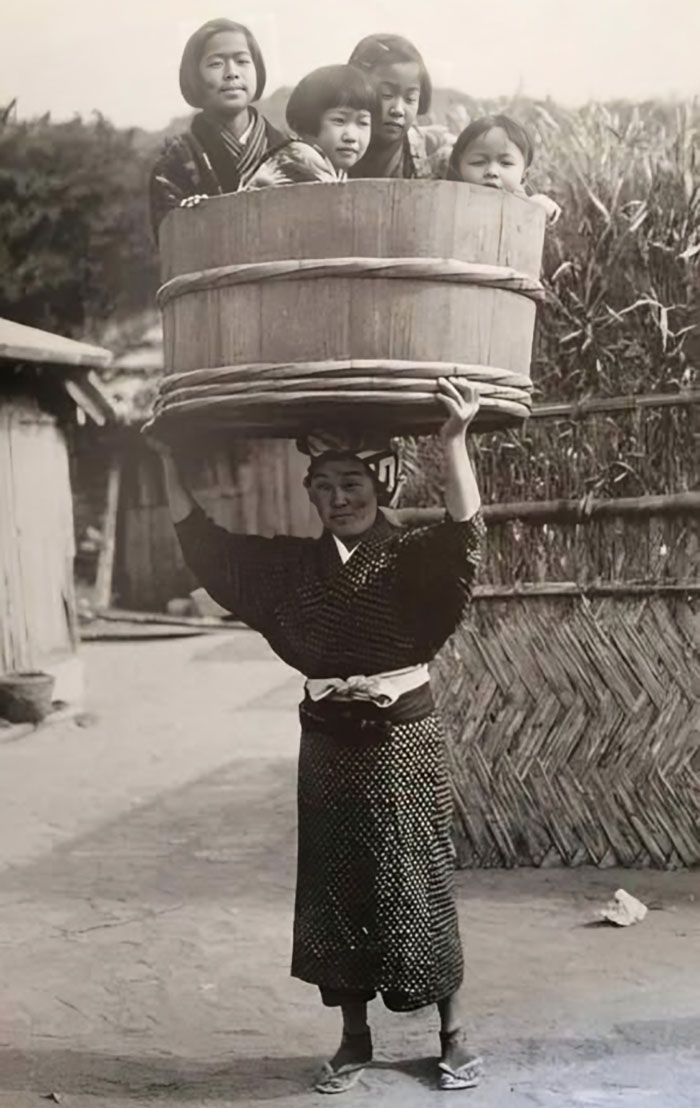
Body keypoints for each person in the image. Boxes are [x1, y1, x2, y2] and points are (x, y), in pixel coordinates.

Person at [152, 379, 485, 1093]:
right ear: (311, 495)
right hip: (328, 746)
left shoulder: (415, 556)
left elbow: (465, 536)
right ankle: (353, 1037)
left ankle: (453, 1034)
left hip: (403, 742)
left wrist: (454, 441)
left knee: (419, 880)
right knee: (336, 888)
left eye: (354, 482)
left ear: (383, 482)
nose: (341, 498)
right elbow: (206, 547)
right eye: (326, 486)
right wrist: (165, 460)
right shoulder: (289, 572)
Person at [149, 18, 284, 237]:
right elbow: (173, 242)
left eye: (242, 61)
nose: (232, 72)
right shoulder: (175, 161)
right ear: (194, 76)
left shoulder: (292, 152)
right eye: (216, 63)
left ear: (257, 69)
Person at [244, 65, 374, 189]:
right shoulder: (301, 159)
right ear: (309, 118)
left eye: (363, 123)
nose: (351, 136)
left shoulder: (332, 168)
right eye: (339, 121)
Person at [346, 33, 447, 180]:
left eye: (410, 99)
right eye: (387, 94)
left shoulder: (433, 157)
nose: (398, 110)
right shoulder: (323, 154)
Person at [446, 113, 561, 224]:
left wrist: (537, 205)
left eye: (506, 163)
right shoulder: (446, 199)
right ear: (457, 168)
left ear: (524, 175)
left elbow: (530, 205)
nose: (492, 171)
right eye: (478, 162)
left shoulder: (520, 202)